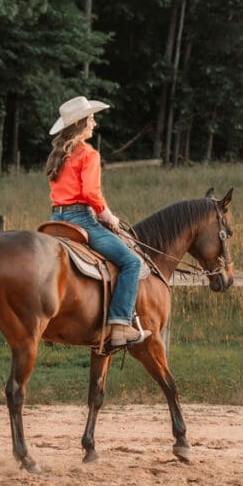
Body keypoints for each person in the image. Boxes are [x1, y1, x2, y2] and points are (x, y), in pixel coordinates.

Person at [46, 96, 151, 347]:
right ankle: (119, 326)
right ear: (81, 124)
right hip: (81, 219)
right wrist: (108, 216)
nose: (94, 123)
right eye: (91, 118)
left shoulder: (57, 154)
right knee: (131, 262)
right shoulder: (88, 154)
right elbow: (91, 194)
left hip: (55, 220)